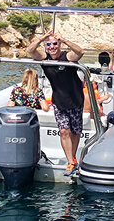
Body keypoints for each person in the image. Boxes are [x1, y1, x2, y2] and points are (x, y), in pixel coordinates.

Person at [27, 30, 84, 176]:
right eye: (49, 44)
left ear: (59, 44)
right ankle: (71, 161)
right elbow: (30, 51)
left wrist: (64, 39)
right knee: (65, 131)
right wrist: (41, 38)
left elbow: (80, 52)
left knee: (75, 131)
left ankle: (73, 157)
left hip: (76, 98)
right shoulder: (44, 58)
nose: (52, 47)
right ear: (46, 46)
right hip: (59, 101)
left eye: (54, 44)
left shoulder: (67, 56)